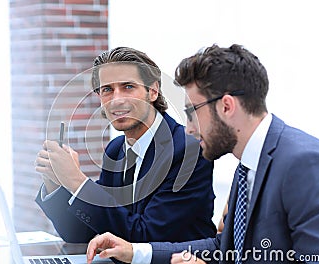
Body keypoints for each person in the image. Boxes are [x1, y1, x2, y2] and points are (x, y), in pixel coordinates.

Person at [86, 44, 319, 264]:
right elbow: (225, 248)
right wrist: (135, 251)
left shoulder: (303, 163)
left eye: (192, 113)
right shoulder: (248, 165)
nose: (189, 128)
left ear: (227, 106)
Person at [34, 47, 217, 245]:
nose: (117, 99)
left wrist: (76, 180)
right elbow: (79, 235)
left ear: (153, 91)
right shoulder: (115, 150)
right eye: (107, 90)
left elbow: (146, 236)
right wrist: (55, 181)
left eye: (128, 86)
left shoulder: (188, 150)